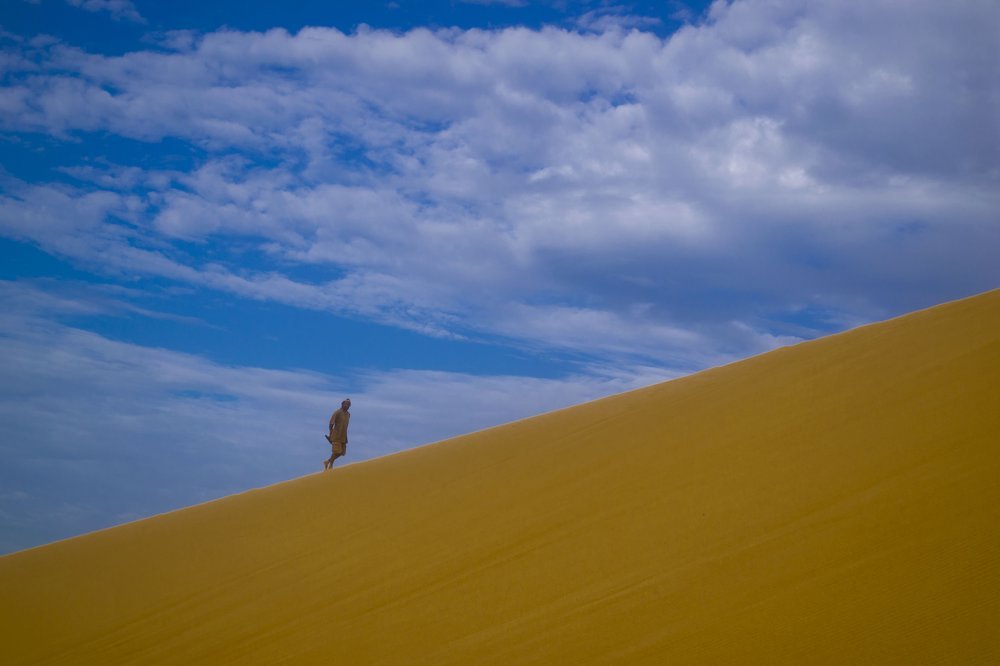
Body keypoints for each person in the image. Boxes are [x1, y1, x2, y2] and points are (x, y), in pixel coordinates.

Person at [324, 398, 351, 470]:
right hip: (336, 435)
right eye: (345, 404)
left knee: (342, 453)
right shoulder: (337, 412)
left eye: (348, 405)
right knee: (336, 451)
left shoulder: (348, 414)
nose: (346, 405)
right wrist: (331, 432)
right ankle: (330, 464)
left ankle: (328, 461)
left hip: (343, 436)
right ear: (342, 404)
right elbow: (331, 423)